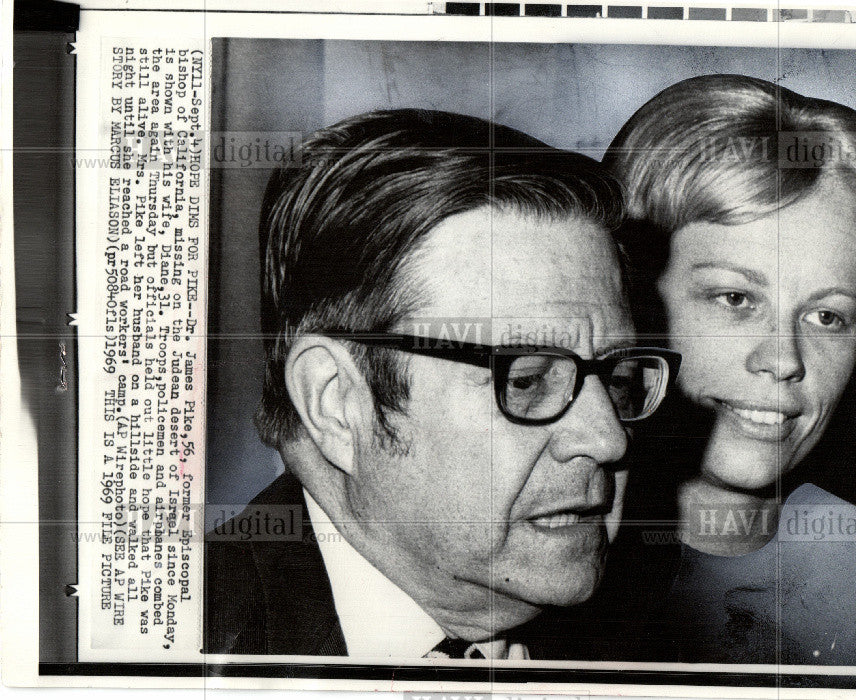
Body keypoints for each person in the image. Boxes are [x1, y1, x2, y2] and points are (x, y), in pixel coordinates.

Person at [204, 109, 680, 659]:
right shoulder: (182, 652)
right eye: (525, 379)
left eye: (618, 378)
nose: (608, 438)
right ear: (337, 403)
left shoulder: (642, 640)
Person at [603, 74, 856, 666]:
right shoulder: (506, 566)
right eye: (736, 299)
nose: (785, 360)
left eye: (825, 315)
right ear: (629, 302)